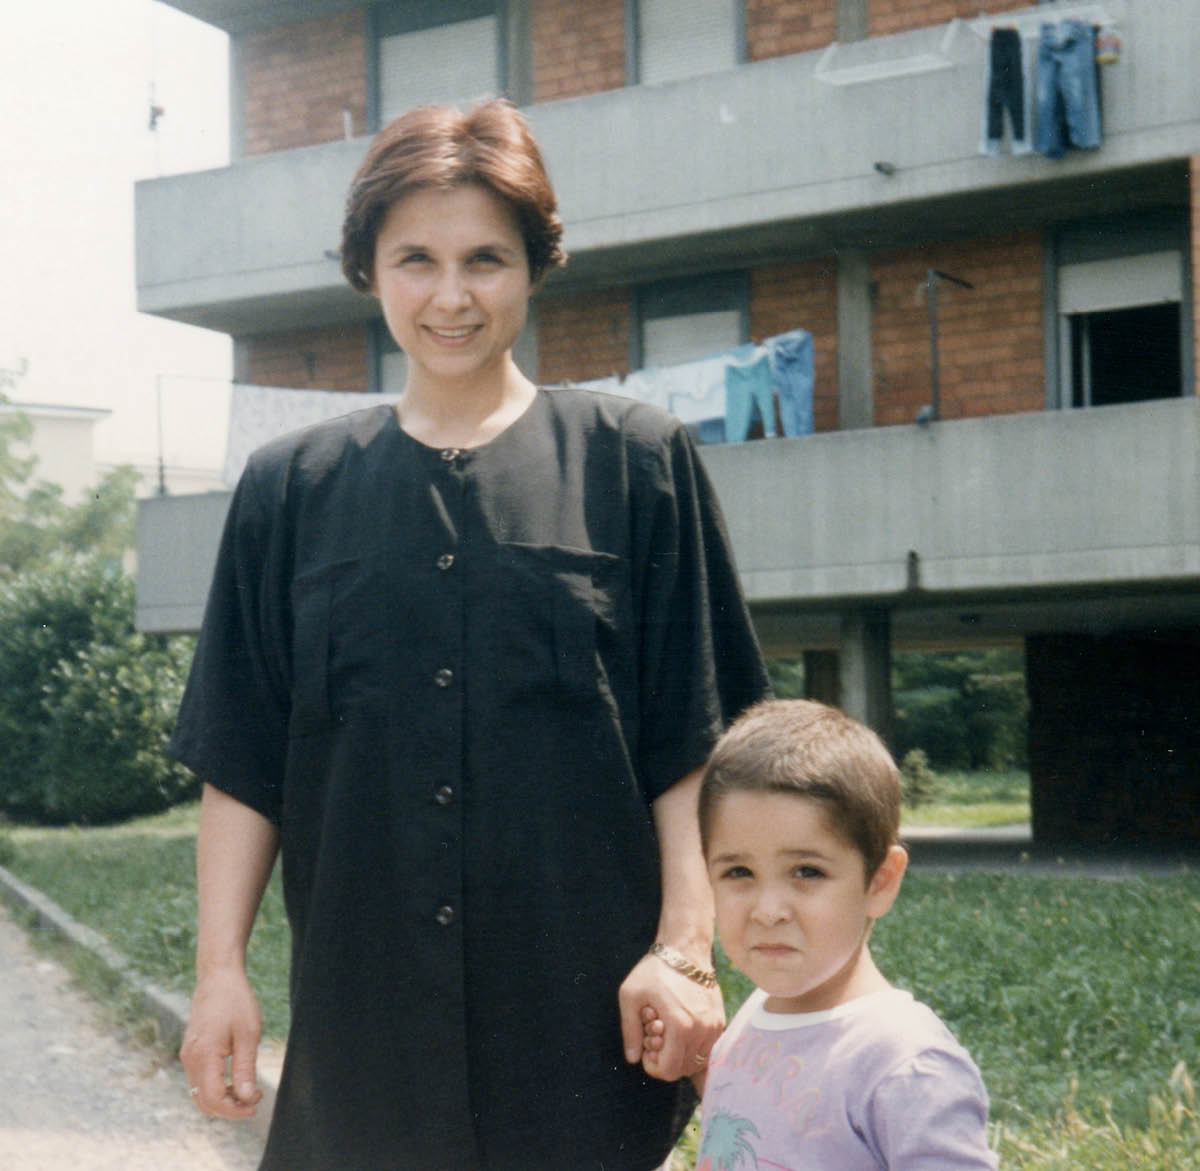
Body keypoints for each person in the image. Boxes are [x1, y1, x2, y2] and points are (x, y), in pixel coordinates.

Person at [172, 98, 769, 1171]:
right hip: (362, 1041)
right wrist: (221, 972)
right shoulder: (289, 490)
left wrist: (685, 950)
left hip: (582, 1037)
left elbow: (696, 740)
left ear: (536, 267)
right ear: (368, 270)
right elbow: (243, 762)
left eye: (486, 259)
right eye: (417, 259)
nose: (451, 296)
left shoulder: (636, 463)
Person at [647, 699, 997, 1169]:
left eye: (807, 872)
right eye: (738, 872)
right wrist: (697, 1066)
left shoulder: (906, 1063)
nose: (768, 911)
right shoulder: (753, 1019)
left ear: (880, 881)